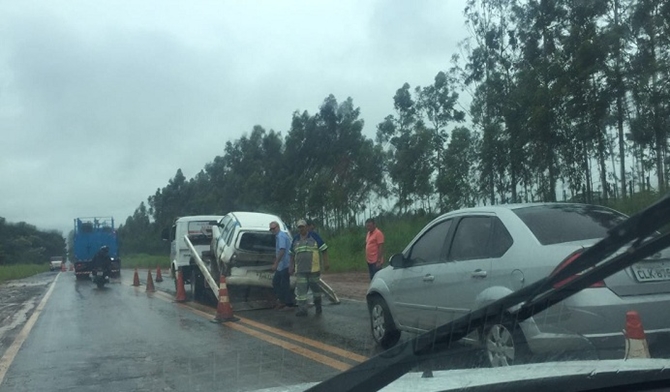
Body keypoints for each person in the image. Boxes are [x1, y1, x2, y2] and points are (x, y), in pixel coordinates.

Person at [290, 219, 329, 316]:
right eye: (299, 227)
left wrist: (326, 263)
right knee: (301, 292)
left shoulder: (314, 236)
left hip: (313, 270)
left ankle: (318, 306)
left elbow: (324, 249)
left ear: (307, 227)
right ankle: (302, 310)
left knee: (316, 290)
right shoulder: (295, 239)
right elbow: (291, 254)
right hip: (300, 270)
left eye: (302, 227)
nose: (301, 229)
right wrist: (291, 266)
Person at [270, 221, 294, 310]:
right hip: (282, 265)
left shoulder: (281, 236)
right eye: (271, 229)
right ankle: (283, 301)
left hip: (285, 264)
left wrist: (276, 263)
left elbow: (282, 250)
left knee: (283, 284)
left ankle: (288, 304)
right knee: (278, 282)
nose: (272, 230)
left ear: (278, 227)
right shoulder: (280, 236)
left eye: (274, 228)